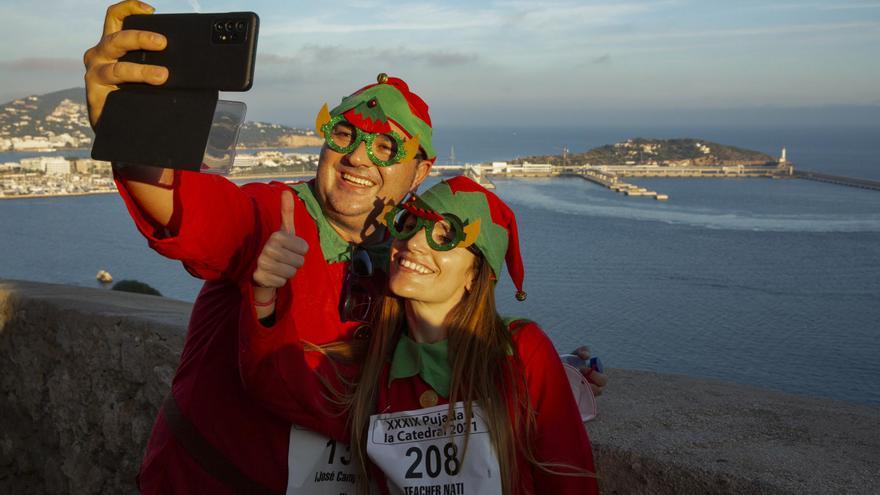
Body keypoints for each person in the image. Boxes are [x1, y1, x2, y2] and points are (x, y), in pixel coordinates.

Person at [82, 2, 606, 492]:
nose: (358, 158)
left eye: (385, 147)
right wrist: (127, 123)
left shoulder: (402, 264)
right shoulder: (273, 216)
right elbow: (186, 207)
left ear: (421, 170)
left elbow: (446, 341)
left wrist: (545, 372)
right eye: (344, 136)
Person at [240, 176, 599, 494]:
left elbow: (571, 480)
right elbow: (278, 384)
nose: (413, 243)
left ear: (476, 275)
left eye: (444, 237)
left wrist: (558, 371)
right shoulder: (374, 369)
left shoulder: (521, 351)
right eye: (408, 225)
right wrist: (265, 292)